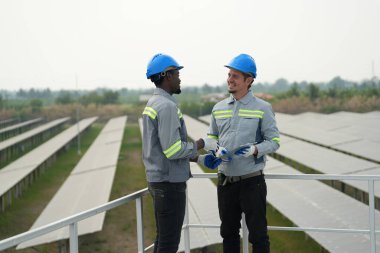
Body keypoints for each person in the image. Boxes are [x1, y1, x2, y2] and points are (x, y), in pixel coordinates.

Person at [142, 53, 222, 253]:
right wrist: (203, 143)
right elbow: (172, 149)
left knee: (163, 240)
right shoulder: (167, 106)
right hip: (169, 185)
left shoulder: (153, 103)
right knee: (169, 244)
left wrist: (199, 158)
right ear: (167, 75)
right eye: (177, 73)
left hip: (159, 181)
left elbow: (163, 148)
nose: (180, 78)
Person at [207, 53, 280, 253]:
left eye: (235, 76)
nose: (230, 79)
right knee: (228, 233)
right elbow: (210, 137)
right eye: (229, 75)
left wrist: (256, 149)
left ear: (249, 81)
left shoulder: (263, 108)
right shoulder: (218, 108)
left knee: (258, 236)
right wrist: (215, 148)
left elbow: (274, 141)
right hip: (225, 182)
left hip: (252, 183)